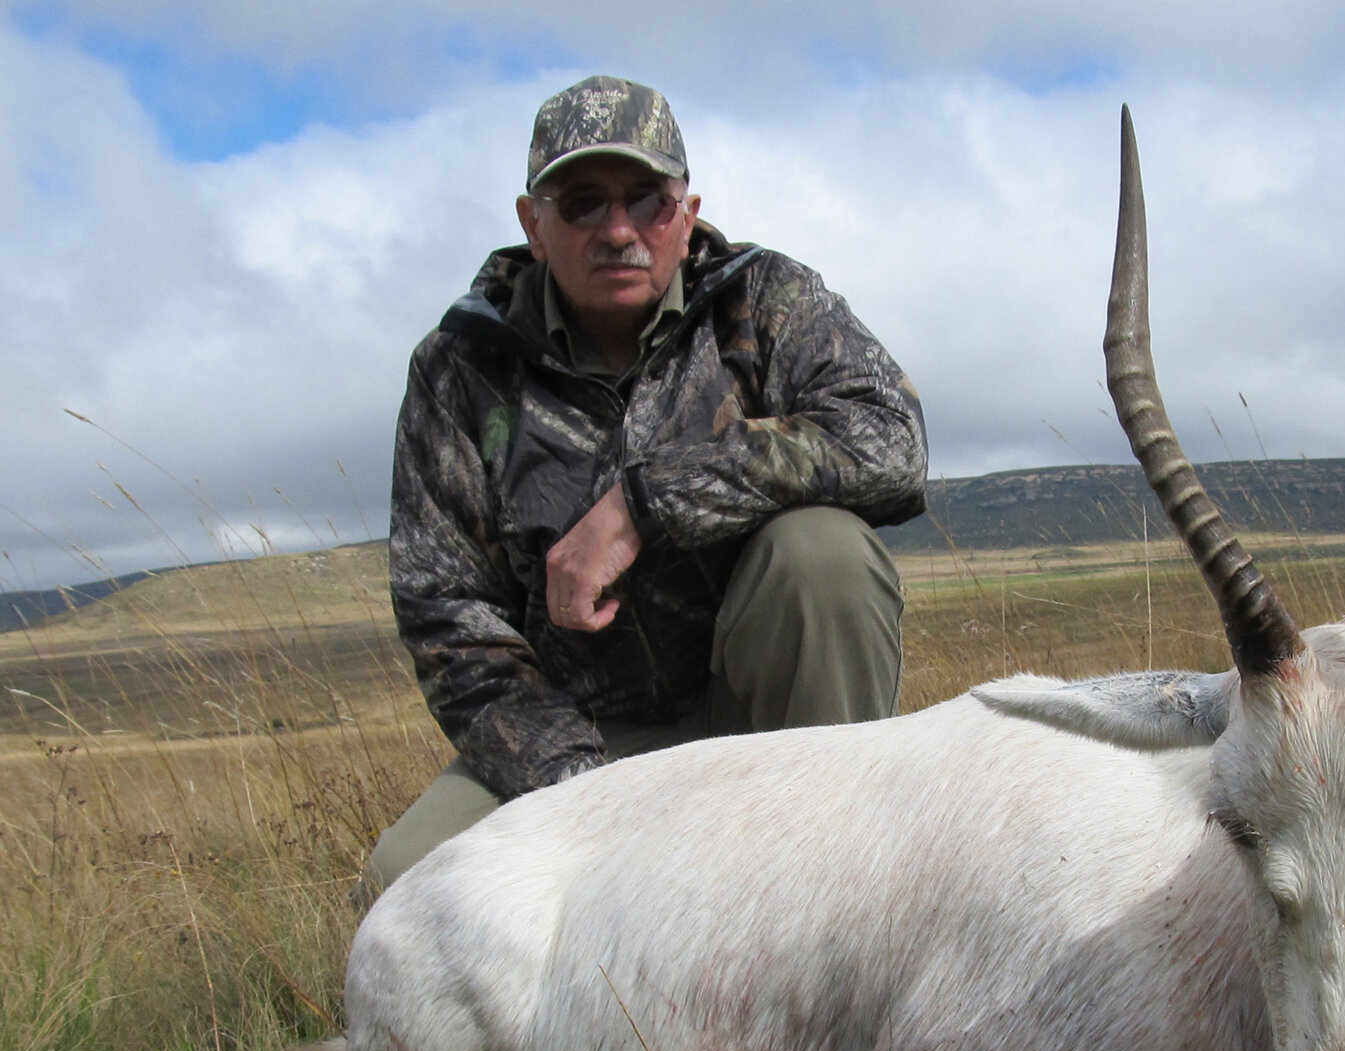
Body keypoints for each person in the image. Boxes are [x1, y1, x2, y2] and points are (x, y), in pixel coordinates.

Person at [362, 75, 928, 896]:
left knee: (823, 552)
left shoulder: (763, 299)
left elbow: (892, 441)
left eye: (647, 202)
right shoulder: (459, 366)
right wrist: (596, 797)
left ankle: (843, 892)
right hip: (579, 745)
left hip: (764, 727)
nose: (618, 230)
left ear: (687, 213)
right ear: (533, 224)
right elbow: (451, 624)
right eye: (583, 203)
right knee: (400, 888)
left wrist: (645, 504)